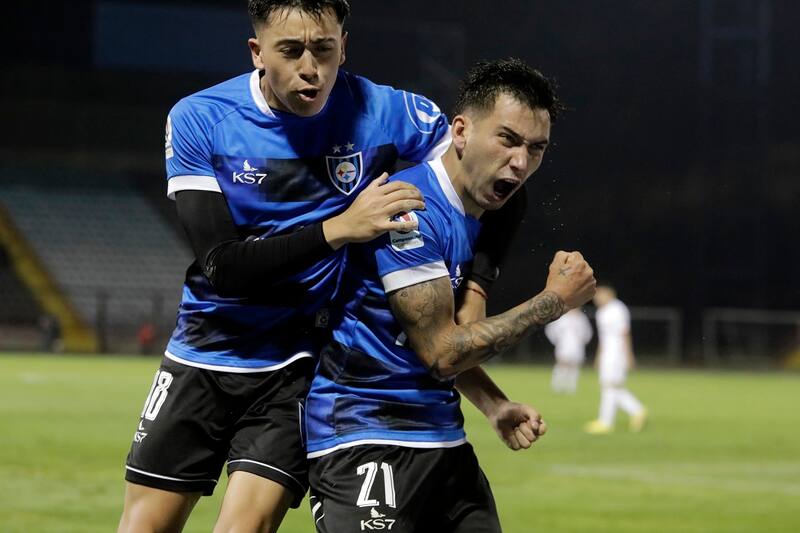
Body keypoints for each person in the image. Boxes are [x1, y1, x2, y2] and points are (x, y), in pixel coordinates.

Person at [117, 2, 524, 532]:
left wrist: (477, 287)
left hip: (299, 365)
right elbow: (223, 267)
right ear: (257, 52)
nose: (310, 68)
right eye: (290, 51)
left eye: (324, 50)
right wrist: (341, 228)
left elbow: (497, 176)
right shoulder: (201, 118)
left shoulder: (389, 112)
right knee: (144, 526)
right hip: (203, 350)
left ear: (344, 47)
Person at [305, 59, 597, 533]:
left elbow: (430, 348)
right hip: (364, 433)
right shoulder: (411, 210)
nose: (521, 162)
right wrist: (553, 302)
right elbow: (441, 352)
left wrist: (495, 404)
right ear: (460, 132)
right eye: (507, 139)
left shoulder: (477, 215)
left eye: (536, 148)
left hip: (441, 437)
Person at [584, 284, 648, 434]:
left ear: (609, 295)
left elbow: (624, 333)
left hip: (617, 354)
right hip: (607, 354)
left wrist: (629, 355)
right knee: (612, 387)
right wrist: (599, 356)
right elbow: (603, 338)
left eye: (599, 295)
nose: (596, 298)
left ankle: (607, 421)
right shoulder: (602, 312)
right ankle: (637, 411)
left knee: (610, 386)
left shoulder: (617, 309)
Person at [544, 307, 592, 393]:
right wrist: (557, 341)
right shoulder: (562, 317)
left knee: (574, 365)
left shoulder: (582, 318)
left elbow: (587, 333)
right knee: (562, 364)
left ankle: (571, 387)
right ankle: (557, 385)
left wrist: (582, 341)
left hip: (577, 346)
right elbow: (551, 330)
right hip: (563, 345)